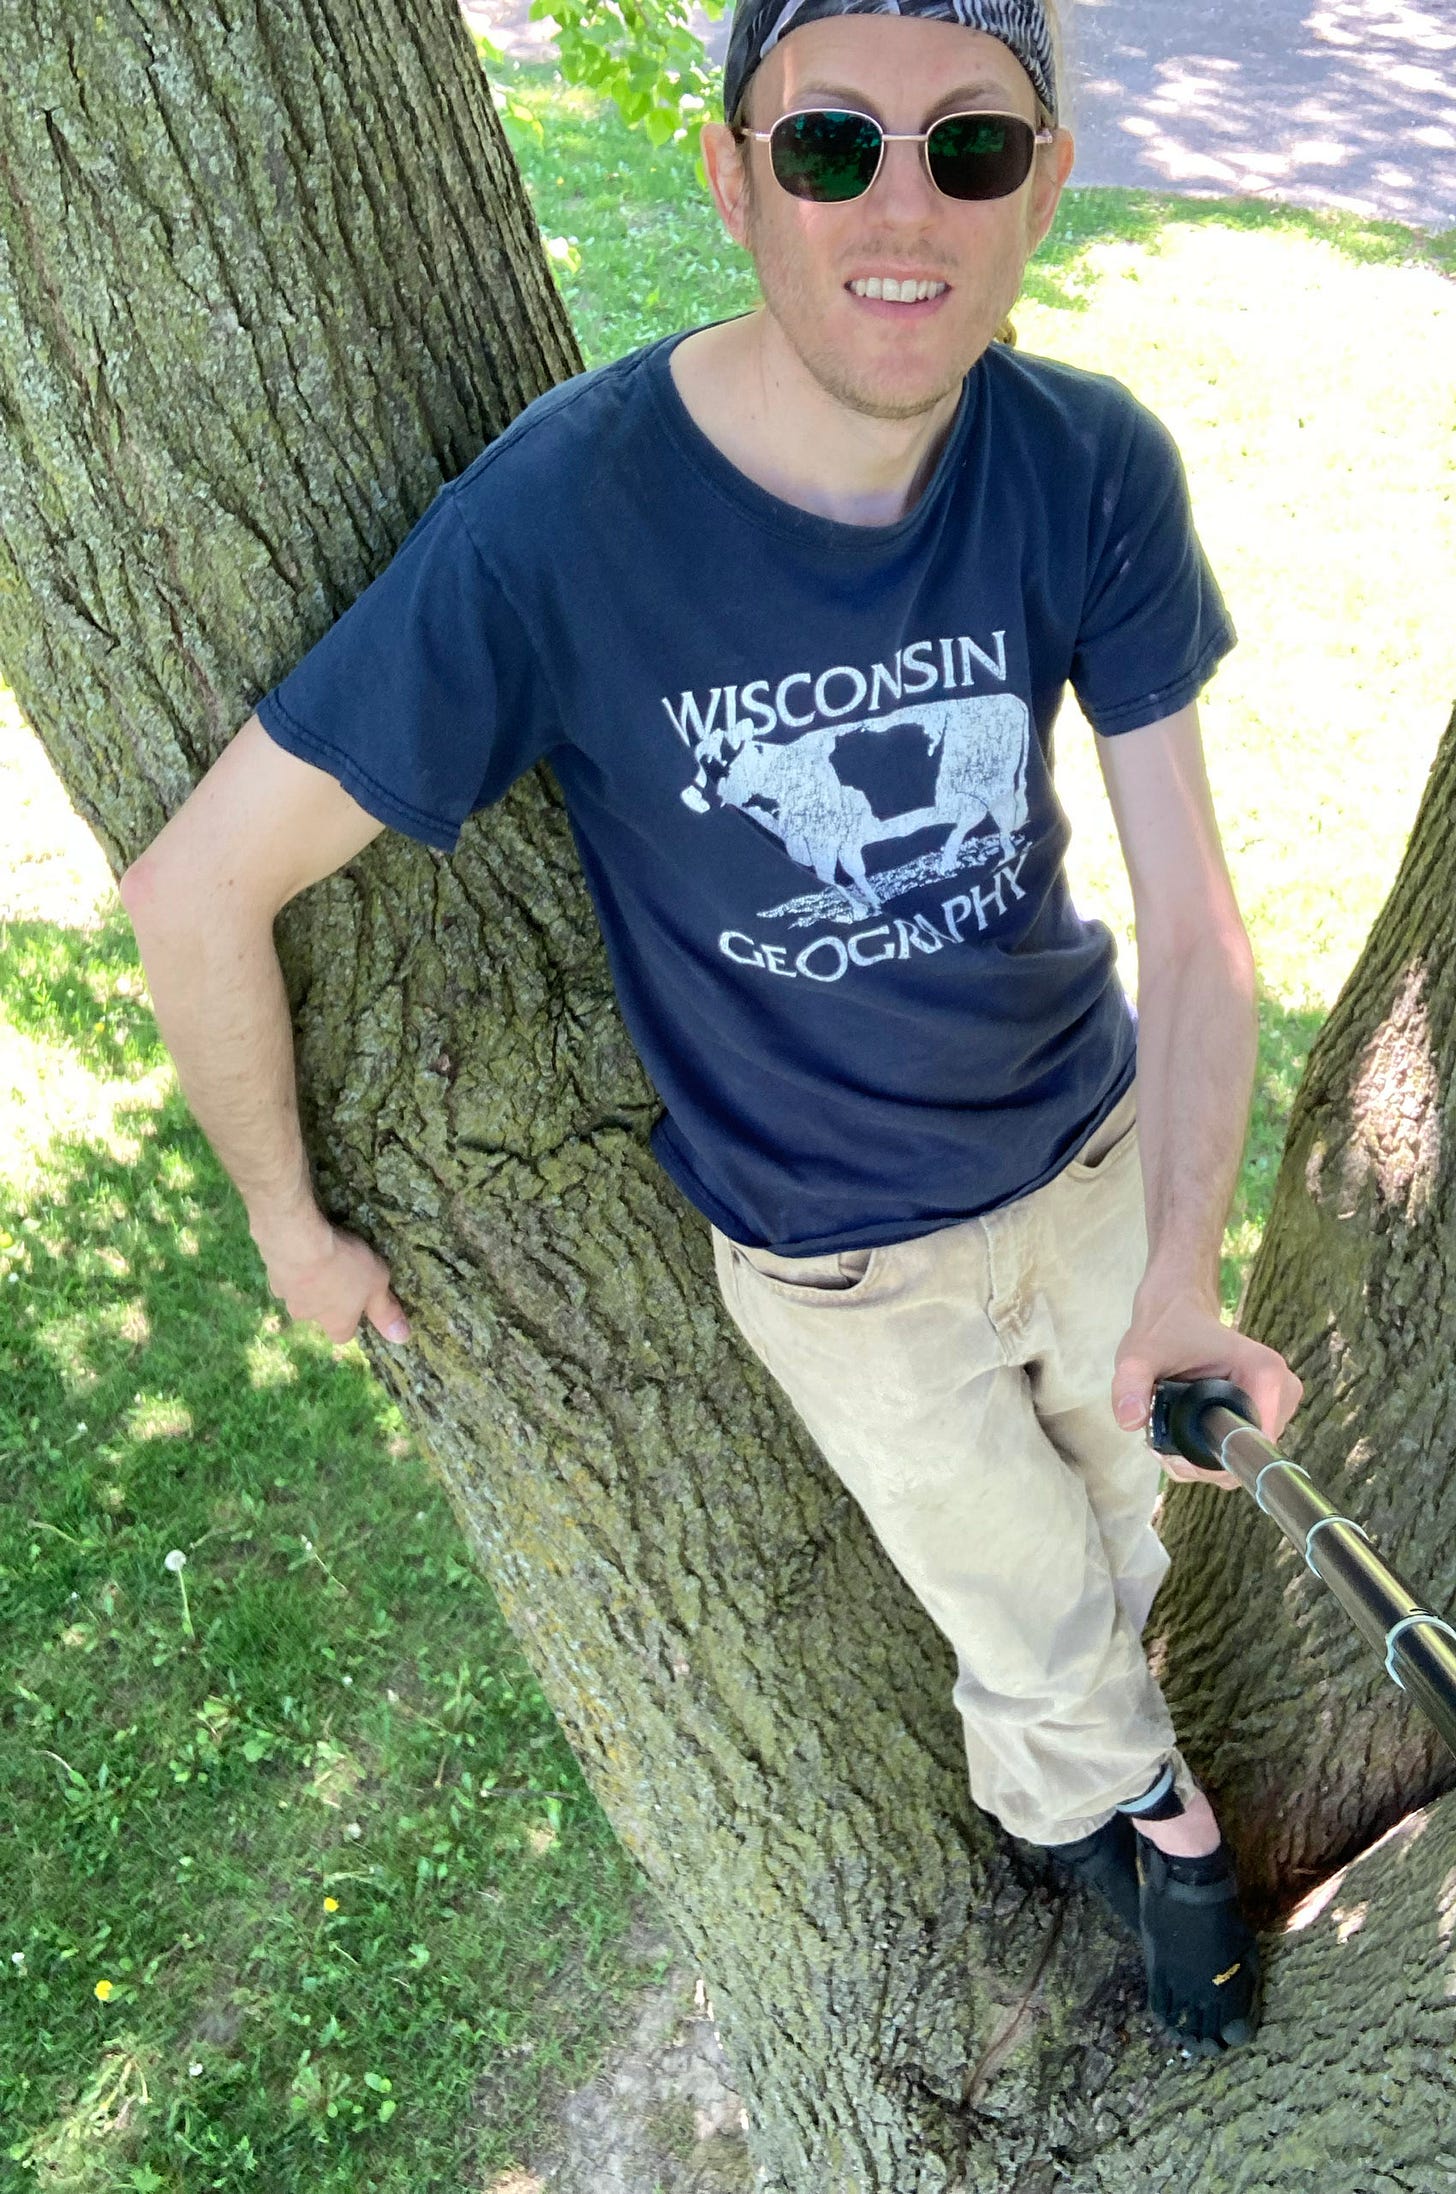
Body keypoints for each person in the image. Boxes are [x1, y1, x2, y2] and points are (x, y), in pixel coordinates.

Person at [119, 0, 1302, 2060]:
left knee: (1123, 1530)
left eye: (973, 146)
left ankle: (1069, 1788)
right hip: (845, 1265)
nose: (901, 207)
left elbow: (1194, 932)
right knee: (1029, 1608)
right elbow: (195, 883)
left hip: (1096, 1160)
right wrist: (292, 1231)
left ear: (1045, 173)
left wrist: (1184, 1266)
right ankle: (1139, 1823)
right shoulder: (561, 524)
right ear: (729, 166)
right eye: (834, 145)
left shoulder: (1084, 463)